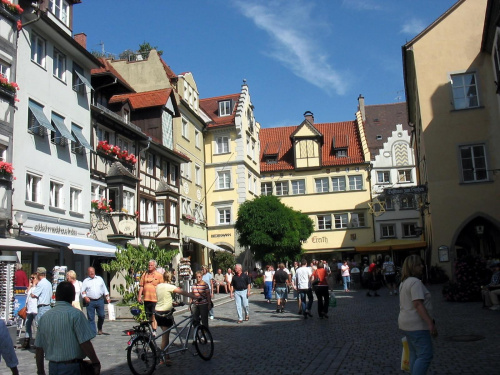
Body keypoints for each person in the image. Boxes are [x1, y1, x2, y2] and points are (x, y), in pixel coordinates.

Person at [36, 281, 100, 375]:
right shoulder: (76, 315)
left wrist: (40, 370)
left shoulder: (45, 317)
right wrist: (95, 362)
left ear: (56, 296)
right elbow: (85, 343)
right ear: (73, 297)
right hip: (72, 367)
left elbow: (39, 348)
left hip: (53, 367)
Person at [398, 255, 437, 375]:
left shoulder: (404, 283)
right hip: (417, 324)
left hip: (406, 323)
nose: (422, 267)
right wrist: (430, 323)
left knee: (415, 354)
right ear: (412, 267)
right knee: (425, 355)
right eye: (419, 265)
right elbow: (418, 304)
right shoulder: (415, 282)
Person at [155, 271, 197, 366]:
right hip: (165, 313)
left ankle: (167, 356)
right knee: (165, 337)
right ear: (170, 279)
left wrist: (172, 303)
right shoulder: (170, 287)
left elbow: (163, 298)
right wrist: (194, 297)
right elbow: (183, 292)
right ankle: (163, 357)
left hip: (157, 312)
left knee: (165, 334)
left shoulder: (158, 286)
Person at [81, 267, 110, 335]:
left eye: (93, 271)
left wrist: (107, 297)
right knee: (91, 318)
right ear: (88, 273)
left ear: (94, 271)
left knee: (102, 315)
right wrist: (85, 297)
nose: (92, 272)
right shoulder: (86, 281)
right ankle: (93, 332)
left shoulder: (100, 279)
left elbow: (104, 289)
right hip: (90, 301)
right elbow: (82, 291)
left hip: (100, 300)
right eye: (90, 271)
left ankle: (99, 328)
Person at [138, 260, 164, 332]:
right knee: (149, 315)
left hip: (155, 299)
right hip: (146, 298)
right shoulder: (145, 274)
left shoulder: (159, 275)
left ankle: (154, 330)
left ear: (155, 266)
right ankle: (152, 328)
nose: (149, 266)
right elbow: (141, 286)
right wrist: (139, 296)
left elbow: (162, 287)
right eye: (149, 265)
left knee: (154, 315)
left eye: (151, 265)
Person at [21, 273, 38, 350]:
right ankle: (27, 340)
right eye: (31, 278)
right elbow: (27, 293)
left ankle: (38, 342)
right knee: (27, 324)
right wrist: (30, 285)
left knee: (37, 325)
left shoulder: (38, 287)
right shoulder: (31, 287)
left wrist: (34, 285)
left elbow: (34, 294)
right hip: (29, 309)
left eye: (33, 278)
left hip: (35, 309)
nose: (31, 279)